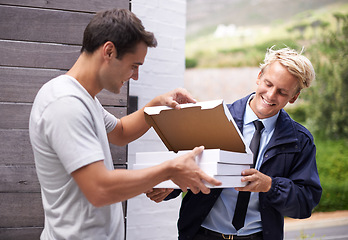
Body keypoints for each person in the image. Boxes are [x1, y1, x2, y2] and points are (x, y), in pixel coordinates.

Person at [29, 8, 221, 240]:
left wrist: (156, 105)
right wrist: (170, 169)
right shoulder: (65, 104)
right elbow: (100, 189)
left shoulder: (83, 98)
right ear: (109, 51)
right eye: (134, 65)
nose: (136, 75)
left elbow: (120, 132)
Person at [146, 47, 322, 240]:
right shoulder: (214, 119)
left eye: (282, 92)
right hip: (201, 235)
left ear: (294, 97)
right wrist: (169, 187)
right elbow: (186, 167)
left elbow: (306, 202)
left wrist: (270, 186)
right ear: (259, 76)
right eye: (268, 84)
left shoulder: (300, 141)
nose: (271, 95)